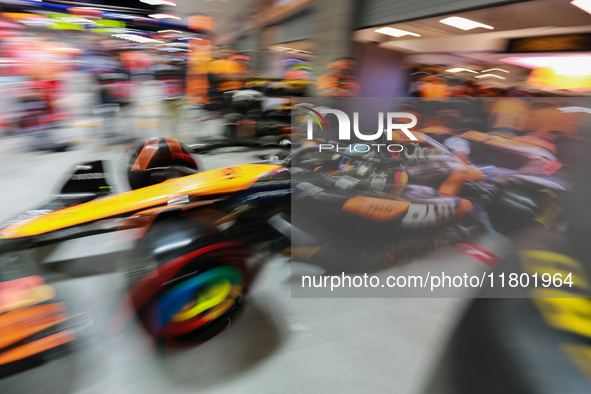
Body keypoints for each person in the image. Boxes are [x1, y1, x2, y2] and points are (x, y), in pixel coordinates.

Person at [199, 47, 246, 121]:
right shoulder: (215, 64)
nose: (226, 54)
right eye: (223, 52)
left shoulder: (237, 64)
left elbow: (242, 76)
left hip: (236, 93)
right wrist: (234, 77)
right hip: (221, 93)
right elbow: (216, 77)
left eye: (230, 52)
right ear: (219, 54)